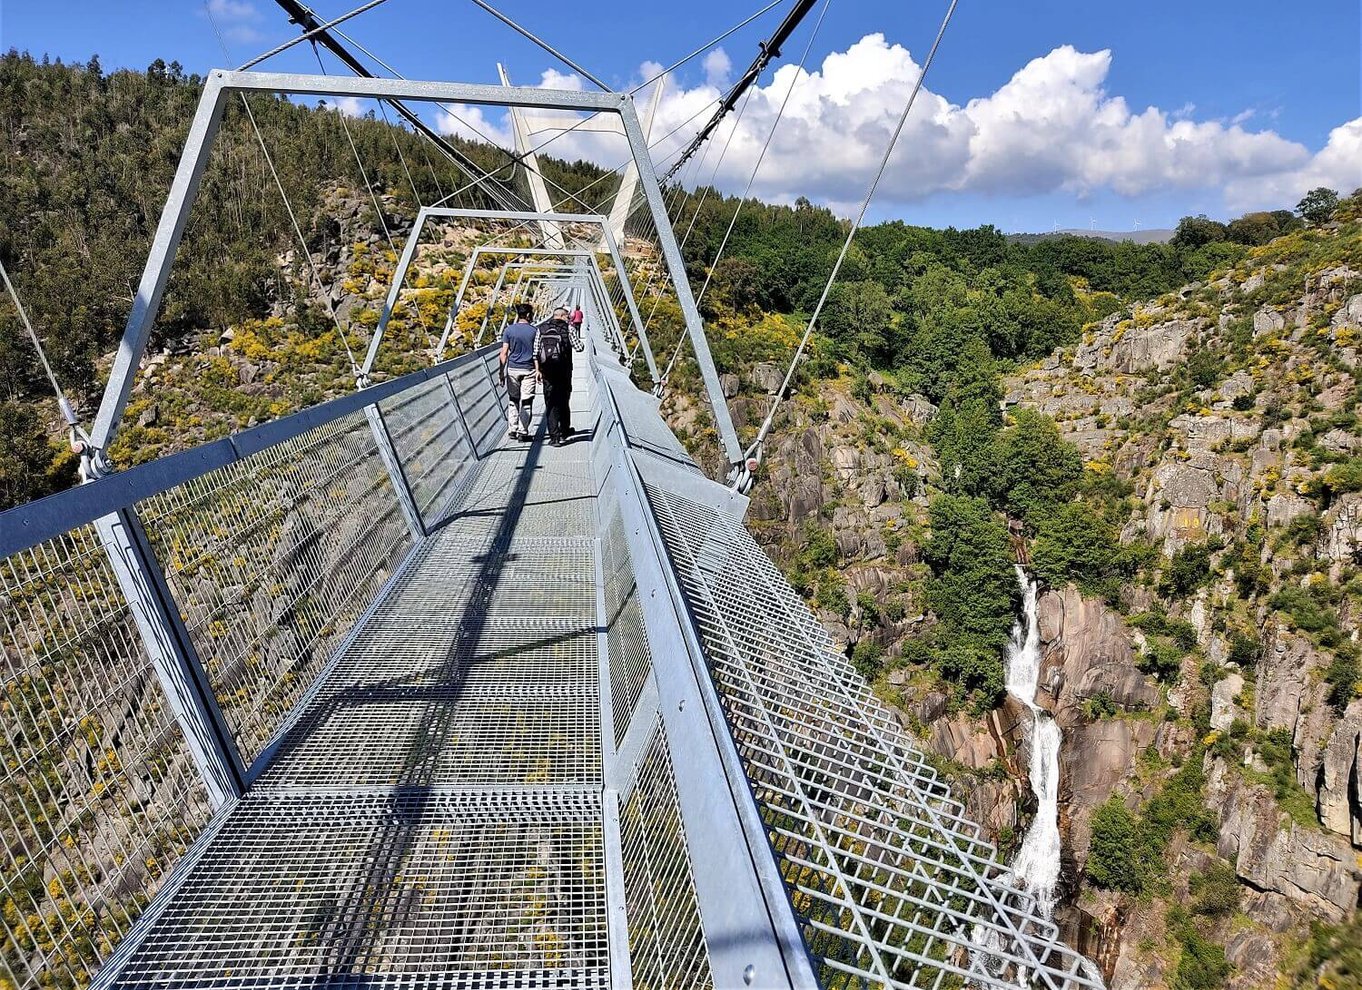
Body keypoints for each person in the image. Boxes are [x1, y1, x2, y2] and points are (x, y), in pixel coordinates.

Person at [534, 307, 578, 446]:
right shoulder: (569, 329)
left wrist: (538, 370)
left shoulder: (541, 328)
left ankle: (554, 437)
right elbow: (579, 347)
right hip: (564, 371)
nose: (569, 319)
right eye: (567, 317)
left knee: (550, 402)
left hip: (547, 372)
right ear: (562, 316)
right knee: (564, 400)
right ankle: (564, 430)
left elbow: (535, 351)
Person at [499, 302, 537, 441]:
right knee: (527, 401)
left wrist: (501, 373)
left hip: (512, 369)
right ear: (527, 315)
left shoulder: (509, 330)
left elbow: (503, 353)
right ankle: (523, 432)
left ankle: (512, 430)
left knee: (513, 399)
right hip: (529, 370)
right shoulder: (534, 331)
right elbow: (537, 353)